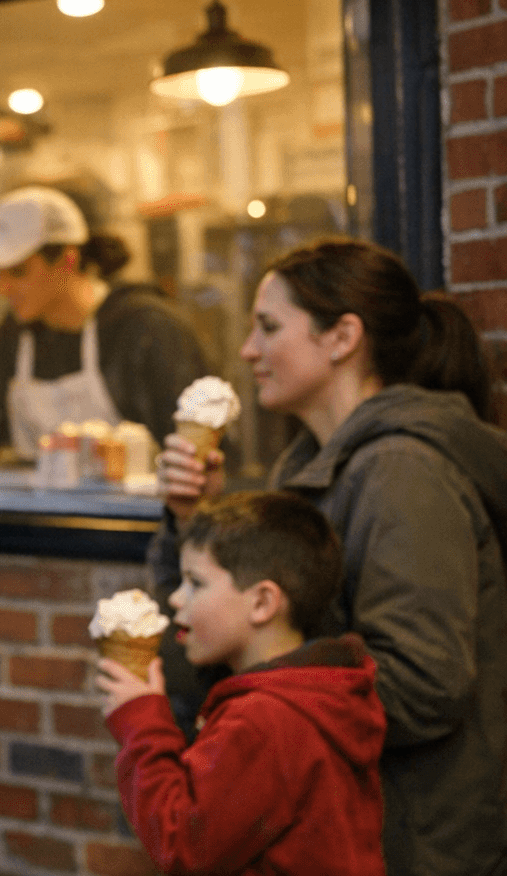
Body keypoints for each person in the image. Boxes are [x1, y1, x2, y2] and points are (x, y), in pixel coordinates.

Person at [152, 237, 507, 876]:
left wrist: (269, 716)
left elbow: (426, 684)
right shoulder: (309, 470)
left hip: (411, 839)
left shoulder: (402, 473)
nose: (247, 349)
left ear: (342, 337)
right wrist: (191, 521)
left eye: (268, 327)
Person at [98, 492, 386, 875]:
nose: (176, 598)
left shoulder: (263, 719)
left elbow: (183, 842)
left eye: (195, 583)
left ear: (262, 603)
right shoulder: (323, 690)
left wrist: (142, 724)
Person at [0, 185, 207, 457]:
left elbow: (198, 448)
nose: (2, 288)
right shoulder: (14, 337)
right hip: (33, 499)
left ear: (67, 259)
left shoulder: (146, 330)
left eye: (17, 271)